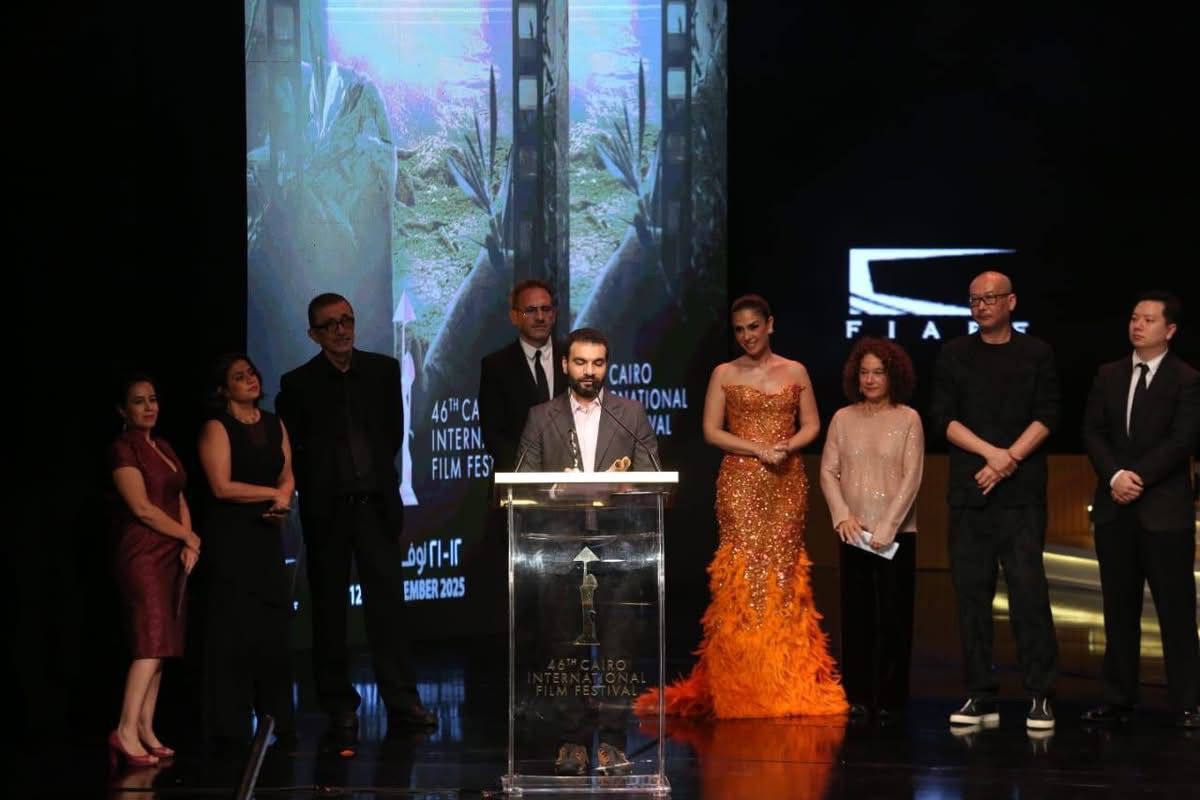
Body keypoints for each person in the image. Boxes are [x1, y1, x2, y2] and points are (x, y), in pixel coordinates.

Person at [639, 294, 847, 719]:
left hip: (786, 482)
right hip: (740, 482)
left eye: (754, 327)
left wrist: (787, 445)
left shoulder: (795, 371)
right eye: (739, 330)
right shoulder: (724, 373)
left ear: (770, 324)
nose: (747, 336)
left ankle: (784, 676)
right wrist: (757, 449)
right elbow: (711, 431)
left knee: (783, 572)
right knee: (743, 572)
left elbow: (812, 424)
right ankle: (742, 680)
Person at [276, 293, 436, 737]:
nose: (341, 330)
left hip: (374, 508)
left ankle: (402, 700)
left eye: (346, 320)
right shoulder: (298, 384)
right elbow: (297, 452)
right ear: (313, 334)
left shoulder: (383, 371)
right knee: (329, 612)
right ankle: (338, 704)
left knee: (389, 611)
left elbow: (391, 436)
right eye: (330, 324)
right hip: (327, 512)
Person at [516, 327, 660, 776]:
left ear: (606, 366)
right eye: (581, 362)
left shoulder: (629, 414)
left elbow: (653, 472)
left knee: (618, 650)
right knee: (565, 651)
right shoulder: (542, 417)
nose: (589, 372)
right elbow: (523, 479)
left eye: (598, 363)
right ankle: (573, 743)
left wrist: (624, 485)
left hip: (618, 547)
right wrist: (554, 488)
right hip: (559, 548)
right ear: (565, 365)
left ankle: (613, 743)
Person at [930, 271, 1060, 732]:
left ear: (1011, 301)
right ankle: (979, 695)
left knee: (1029, 594)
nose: (981, 306)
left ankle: (1040, 695)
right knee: (971, 597)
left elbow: (1048, 415)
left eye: (989, 298)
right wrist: (992, 455)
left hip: (1022, 497)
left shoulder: (1036, 353)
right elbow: (943, 419)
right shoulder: (954, 354)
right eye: (974, 300)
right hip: (971, 492)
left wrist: (1009, 461)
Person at [1080, 291, 1199, 729]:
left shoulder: (1187, 379)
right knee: (1118, 608)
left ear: (1170, 329)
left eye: (1148, 320)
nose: (1138, 325)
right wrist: (1115, 476)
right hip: (1115, 509)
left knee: (1176, 610)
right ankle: (1119, 698)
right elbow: (1092, 432)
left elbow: (1182, 440)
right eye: (1134, 318)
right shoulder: (1108, 374)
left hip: (1164, 512)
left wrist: (1138, 477)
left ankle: (1188, 702)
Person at [196, 353, 297, 748]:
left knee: (272, 631)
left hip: (267, 536)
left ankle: (277, 721)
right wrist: (272, 494)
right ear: (224, 389)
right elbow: (221, 486)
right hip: (232, 539)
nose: (251, 379)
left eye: (252, 372)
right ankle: (231, 727)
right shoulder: (217, 427)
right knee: (235, 632)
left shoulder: (274, 423)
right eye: (239, 377)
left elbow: (287, 474)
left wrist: (282, 498)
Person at [820, 338, 923, 721]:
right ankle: (859, 695)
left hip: (897, 535)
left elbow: (912, 477)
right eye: (864, 372)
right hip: (853, 532)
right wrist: (842, 517)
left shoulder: (908, 419)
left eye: (878, 372)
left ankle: (892, 699)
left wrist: (888, 526)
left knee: (894, 618)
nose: (870, 379)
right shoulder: (842, 419)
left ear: (892, 375)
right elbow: (828, 471)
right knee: (856, 617)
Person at [108, 375, 201, 768]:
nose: (149, 407)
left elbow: (178, 496)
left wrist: (188, 541)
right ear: (123, 410)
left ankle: (146, 727)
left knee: (164, 644)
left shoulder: (162, 445)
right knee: (150, 641)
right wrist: (187, 536)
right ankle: (125, 730)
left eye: (153, 399)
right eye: (139, 401)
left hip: (171, 550)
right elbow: (142, 509)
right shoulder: (123, 448)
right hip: (143, 552)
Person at [479, 279, 566, 472]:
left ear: (553, 315)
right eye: (531, 310)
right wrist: (528, 474)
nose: (540, 317)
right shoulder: (496, 366)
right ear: (514, 317)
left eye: (546, 309)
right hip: (518, 477)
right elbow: (494, 435)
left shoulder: (573, 358)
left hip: (571, 477)